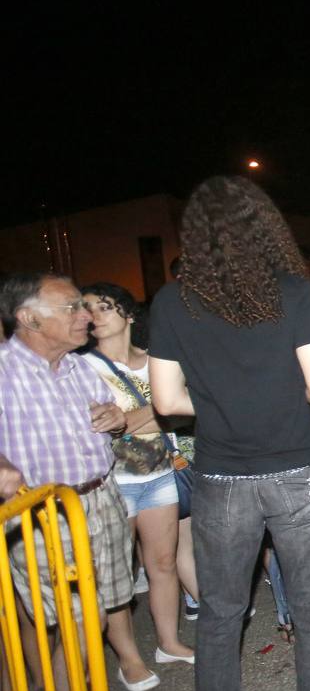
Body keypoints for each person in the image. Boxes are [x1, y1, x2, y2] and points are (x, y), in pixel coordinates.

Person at [149, 176, 310, 691]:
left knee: (220, 610)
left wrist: (219, 403)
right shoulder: (291, 294)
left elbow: (164, 402)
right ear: (264, 229)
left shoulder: (170, 301)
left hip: (220, 479)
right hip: (295, 470)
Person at [0, 273, 156, 691]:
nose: (85, 315)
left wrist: (114, 420)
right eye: (71, 307)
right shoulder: (4, 372)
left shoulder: (78, 366)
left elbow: (110, 419)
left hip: (100, 497)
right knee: (70, 618)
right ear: (29, 318)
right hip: (42, 515)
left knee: (99, 610)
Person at [80, 283, 195, 670]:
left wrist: (129, 419)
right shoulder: (84, 367)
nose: (94, 315)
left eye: (104, 307)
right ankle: (128, 658)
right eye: (88, 309)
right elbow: (99, 425)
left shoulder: (153, 360)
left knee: (162, 564)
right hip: (114, 480)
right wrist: (158, 408)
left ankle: (169, 642)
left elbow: (184, 408)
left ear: (129, 315)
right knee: (117, 576)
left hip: (161, 472)